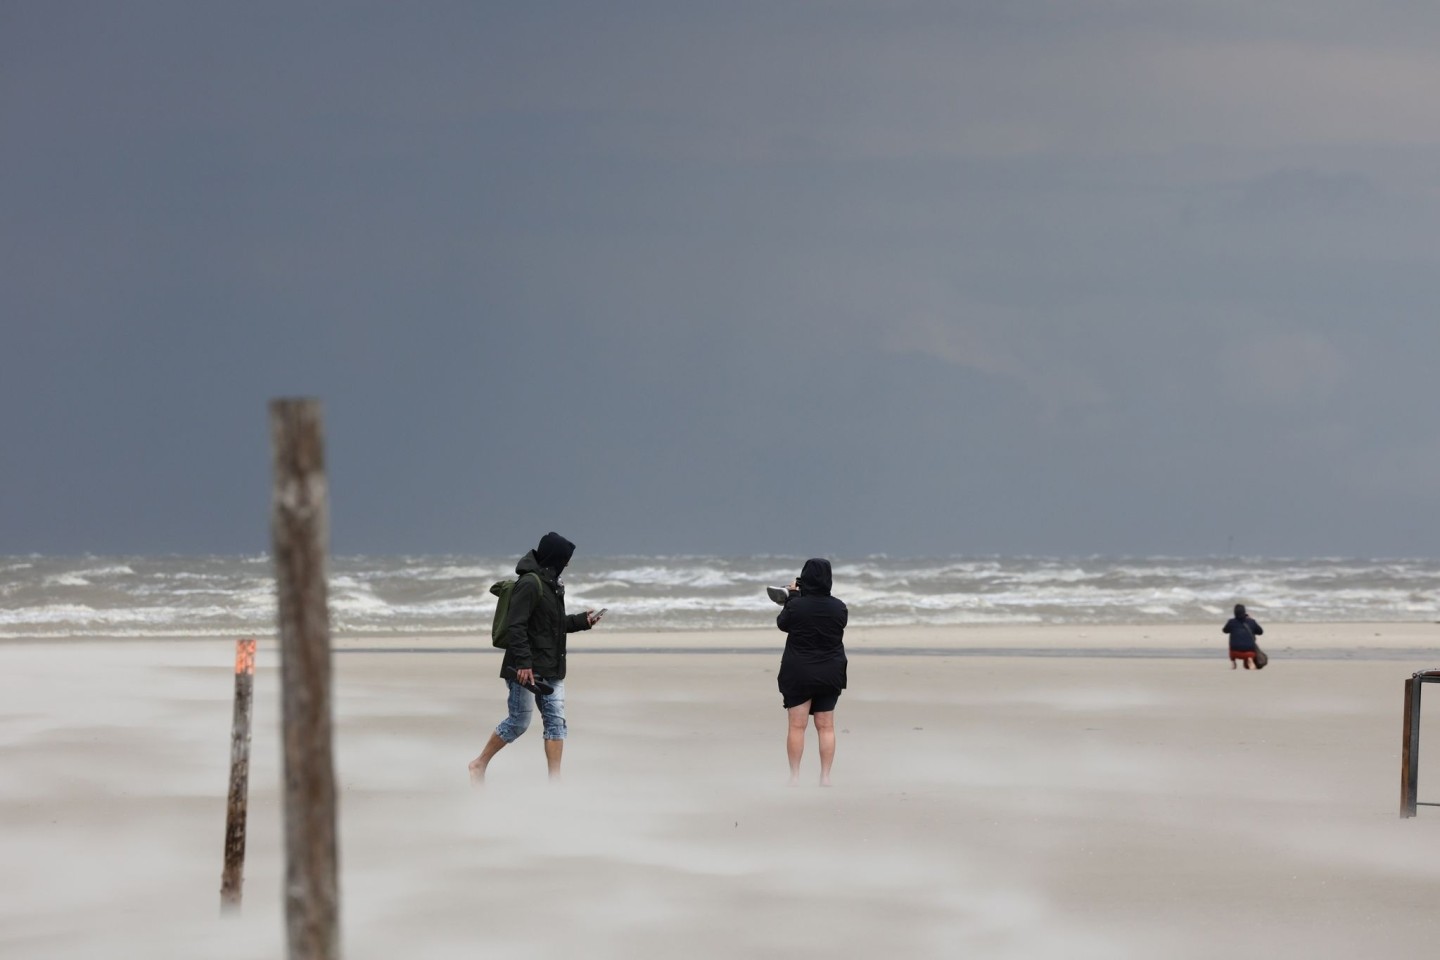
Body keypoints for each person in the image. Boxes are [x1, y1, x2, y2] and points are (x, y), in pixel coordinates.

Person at [469, 532, 604, 784]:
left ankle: (555, 783)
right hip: (525, 668)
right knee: (519, 722)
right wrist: (523, 663)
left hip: (551, 666)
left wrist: (581, 622)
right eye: (566, 558)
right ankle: (478, 764)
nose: (569, 563)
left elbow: (550, 625)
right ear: (556, 557)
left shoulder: (553, 584)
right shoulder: (530, 584)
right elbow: (515, 626)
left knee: (556, 723)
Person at [775, 558, 848, 786]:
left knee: (797, 726)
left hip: (799, 671)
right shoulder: (839, 607)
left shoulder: (796, 605)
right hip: (831, 671)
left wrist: (792, 599)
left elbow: (782, 624)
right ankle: (825, 777)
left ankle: (795, 776)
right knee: (826, 726)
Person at [1222, 603, 1264, 670]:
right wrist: (1251, 620)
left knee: (1232, 640)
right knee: (1249, 641)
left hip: (1235, 652)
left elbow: (1224, 631)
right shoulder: (1251, 621)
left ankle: (1233, 662)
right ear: (1244, 612)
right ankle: (1250, 660)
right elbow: (1260, 632)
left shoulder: (1231, 622)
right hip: (1249, 653)